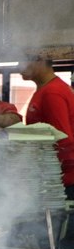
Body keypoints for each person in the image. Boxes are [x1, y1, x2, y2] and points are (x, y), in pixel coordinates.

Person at [21, 56, 74, 199]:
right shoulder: (45, 89)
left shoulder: (52, 92)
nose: (19, 66)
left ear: (40, 60)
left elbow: (64, 140)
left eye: (23, 59)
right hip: (53, 177)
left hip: (62, 180)